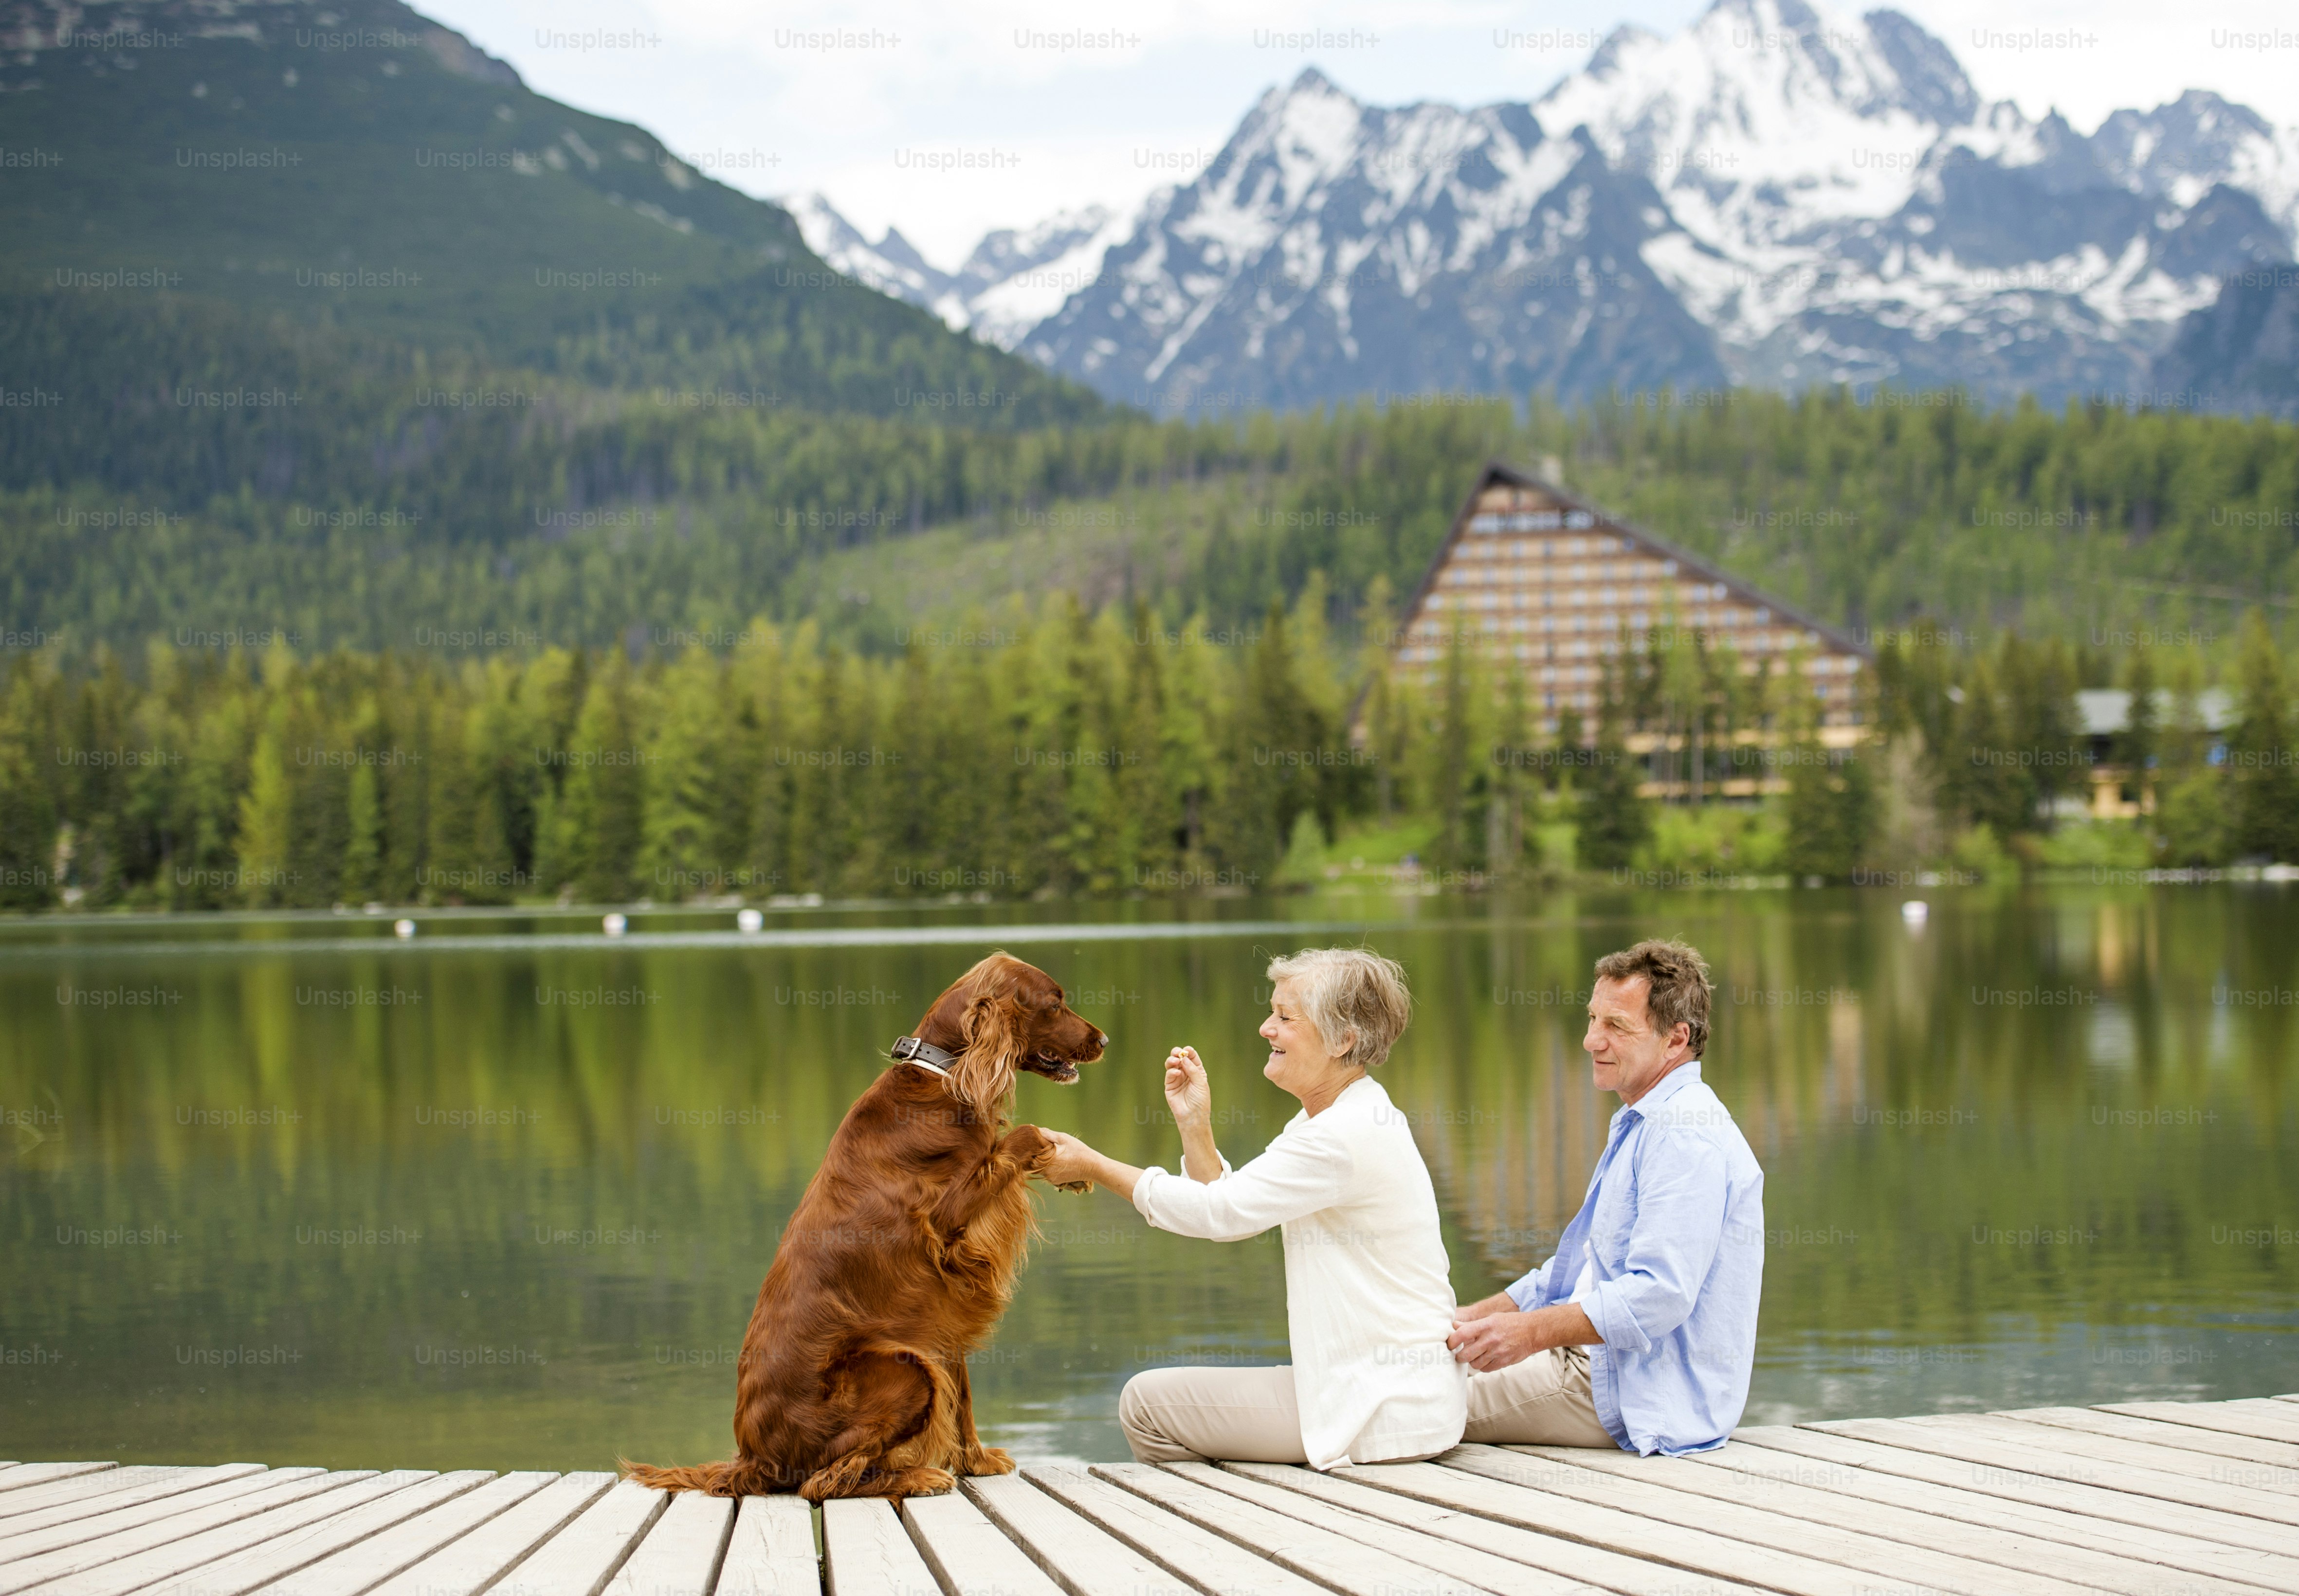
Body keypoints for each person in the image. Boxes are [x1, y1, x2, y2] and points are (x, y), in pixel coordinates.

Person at [1040, 946, 1465, 1470]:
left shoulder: (1338, 1136)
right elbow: (1229, 1210)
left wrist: (1095, 1166)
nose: (1266, 1028)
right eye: (1271, 1012)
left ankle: (1222, 1530)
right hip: (1383, 1389)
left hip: (1376, 1406)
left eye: (1285, 1018)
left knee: (1145, 1403)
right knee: (1167, 1406)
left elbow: (1217, 1214)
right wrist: (1195, 1125)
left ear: (1343, 1040)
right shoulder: (1341, 1118)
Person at [1447, 939, 1763, 1456]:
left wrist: (1526, 1334)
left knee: (1400, 1401)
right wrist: (1472, 1318)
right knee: (1414, 1369)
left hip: (1630, 1396)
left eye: (1616, 1026)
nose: (1591, 1040)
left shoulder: (1683, 1133)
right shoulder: (1650, 1118)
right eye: (1592, 1019)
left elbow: (1658, 1294)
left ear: (1674, 1039)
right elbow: (1584, 1268)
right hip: (1590, 1367)